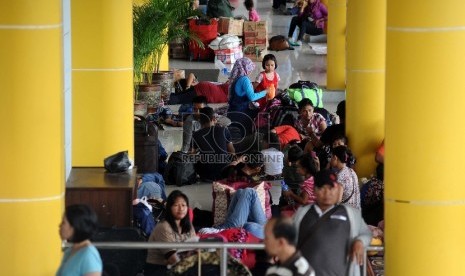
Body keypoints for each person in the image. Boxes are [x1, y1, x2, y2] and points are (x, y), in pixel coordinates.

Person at [293, 170, 372, 276]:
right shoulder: (302, 213)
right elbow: (289, 238)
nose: (327, 193)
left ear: (337, 189)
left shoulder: (351, 213)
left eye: (331, 188)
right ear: (314, 190)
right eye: (321, 188)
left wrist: (360, 241)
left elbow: (366, 233)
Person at [201, 152, 269, 238]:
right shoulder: (253, 182)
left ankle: (224, 228)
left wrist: (239, 160)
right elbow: (268, 204)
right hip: (251, 225)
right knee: (243, 192)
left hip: (247, 225)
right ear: (258, 168)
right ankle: (226, 228)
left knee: (246, 192)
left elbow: (227, 168)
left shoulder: (231, 172)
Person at [145, 190, 197, 275]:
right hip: (159, 269)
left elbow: (194, 250)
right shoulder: (163, 227)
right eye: (176, 205)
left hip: (179, 265)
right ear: (169, 207)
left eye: (184, 205)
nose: (181, 209)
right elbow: (173, 259)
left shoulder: (189, 226)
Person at [227, 57, 271, 136]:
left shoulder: (236, 78)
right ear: (245, 68)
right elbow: (252, 97)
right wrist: (266, 91)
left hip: (232, 111)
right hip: (240, 113)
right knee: (260, 114)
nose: (251, 71)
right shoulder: (244, 79)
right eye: (250, 68)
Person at [57, 204, 102, 276]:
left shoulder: (89, 256)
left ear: (74, 227)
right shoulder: (70, 251)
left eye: (63, 223)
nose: (60, 226)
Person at [192, 106, 235, 181]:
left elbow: (191, 155)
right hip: (225, 172)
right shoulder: (224, 130)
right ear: (213, 119)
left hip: (206, 174)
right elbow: (232, 152)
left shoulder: (196, 135)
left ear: (199, 121)